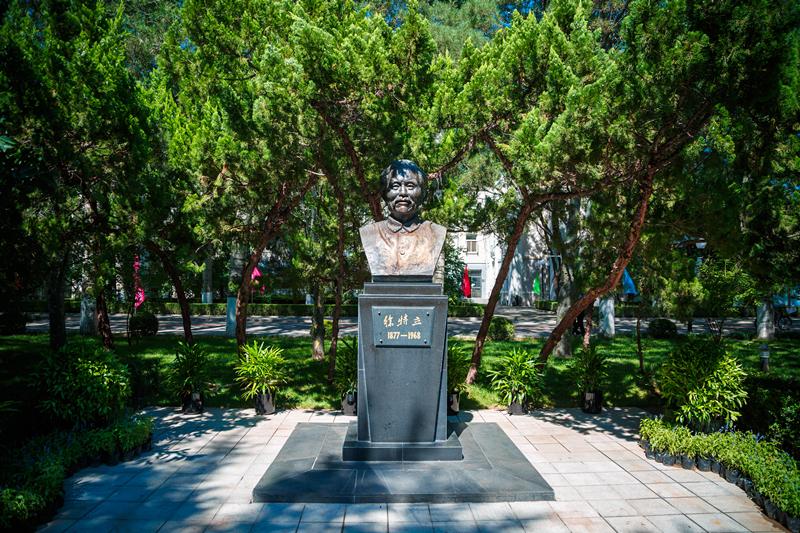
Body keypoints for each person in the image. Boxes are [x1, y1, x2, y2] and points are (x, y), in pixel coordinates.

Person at [359, 160, 446, 280]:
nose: (403, 193)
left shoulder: (436, 232)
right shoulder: (369, 233)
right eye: (395, 186)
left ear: (423, 194)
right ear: (384, 193)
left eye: (410, 186)